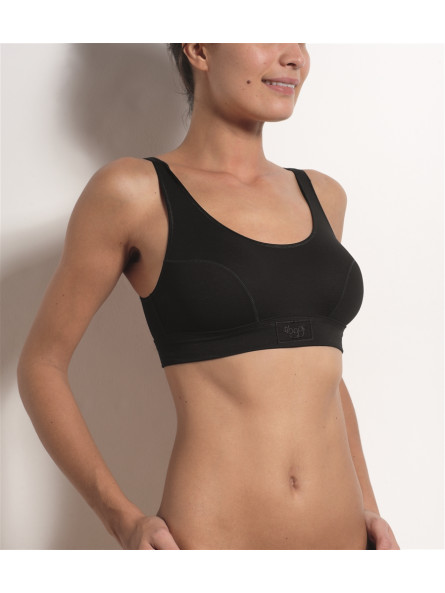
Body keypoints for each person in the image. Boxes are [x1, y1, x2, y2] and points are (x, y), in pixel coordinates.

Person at [17, 43, 400, 550]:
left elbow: (321, 373)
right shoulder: (134, 192)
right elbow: (41, 365)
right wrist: (123, 520)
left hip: (344, 545)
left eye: (300, 34)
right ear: (199, 49)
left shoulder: (323, 196)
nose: (295, 57)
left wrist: (369, 505)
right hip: (212, 546)